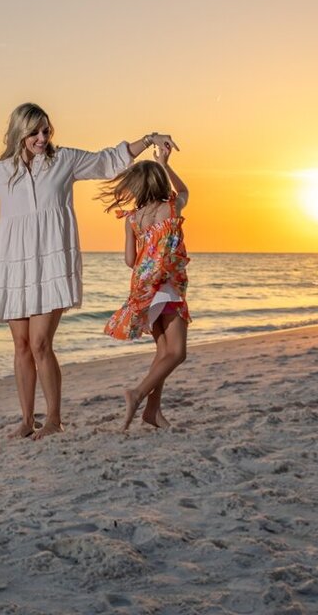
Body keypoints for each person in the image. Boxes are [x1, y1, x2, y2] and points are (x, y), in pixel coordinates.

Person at [0, 102, 176, 439]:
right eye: (34, 132)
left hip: (52, 262)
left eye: (46, 131)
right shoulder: (2, 172)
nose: (42, 137)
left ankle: (54, 420)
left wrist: (148, 139)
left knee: (42, 343)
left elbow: (107, 160)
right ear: (19, 133)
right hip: (14, 263)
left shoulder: (64, 160)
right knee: (22, 346)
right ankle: (27, 421)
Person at [99, 140, 191, 431]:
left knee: (163, 353)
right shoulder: (171, 208)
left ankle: (153, 411)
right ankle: (137, 394)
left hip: (143, 291)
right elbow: (186, 191)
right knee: (177, 353)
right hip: (167, 287)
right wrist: (166, 163)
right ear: (161, 183)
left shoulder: (131, 219)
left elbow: (130, 260)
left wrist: (147, 253)